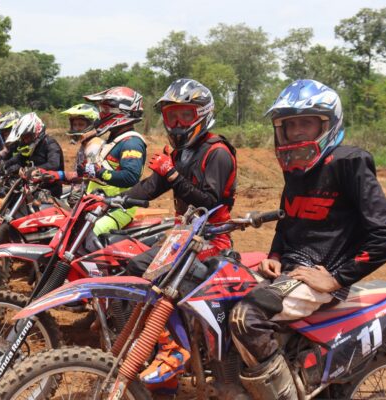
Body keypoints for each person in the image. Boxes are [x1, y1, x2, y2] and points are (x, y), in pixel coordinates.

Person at [227, 79, 386, 400]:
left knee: (246, 317)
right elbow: (287, 219)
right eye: (289, 124)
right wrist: (276, 254)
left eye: (305, 123)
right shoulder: (295, 168)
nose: (295, 132)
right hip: (290, 271)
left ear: (328, 123)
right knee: (219, 287)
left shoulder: (349, 162)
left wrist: (336, 279)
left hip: (322, 274)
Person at [121, 78, 238, 393]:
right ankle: (164, 364)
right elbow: (153, 185)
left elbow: (210, 201)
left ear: (202, 114)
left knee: (161, 285)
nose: (176, 123)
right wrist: (118, 200)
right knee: (133, 269)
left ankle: (173, 347)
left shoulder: (218, 152)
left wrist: (172, 174)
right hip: (182, 238)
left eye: (185, 115)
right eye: (171, 116)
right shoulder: (180, 152)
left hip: (213, 241)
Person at [35, 87, 147, 244]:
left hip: (118, 208)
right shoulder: (112, 141)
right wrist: (59, 176)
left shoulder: (131, 142)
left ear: (121, 112)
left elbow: (130, 177)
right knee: (65, 235)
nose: (101, 114)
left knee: (87, 240)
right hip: (95, 204)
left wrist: (99, 172)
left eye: (106, 109)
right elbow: (88, 174)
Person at [2, 112, 65, 197]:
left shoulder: (50, 143)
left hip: (50, 189)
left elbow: (54, 164)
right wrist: (5, 164)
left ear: (37, 131)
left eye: (28, 136)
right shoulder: (29, 145)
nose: (26, 140)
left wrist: (30, 169)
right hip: (33, 186)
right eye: (23, 137)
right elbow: (20, 157)